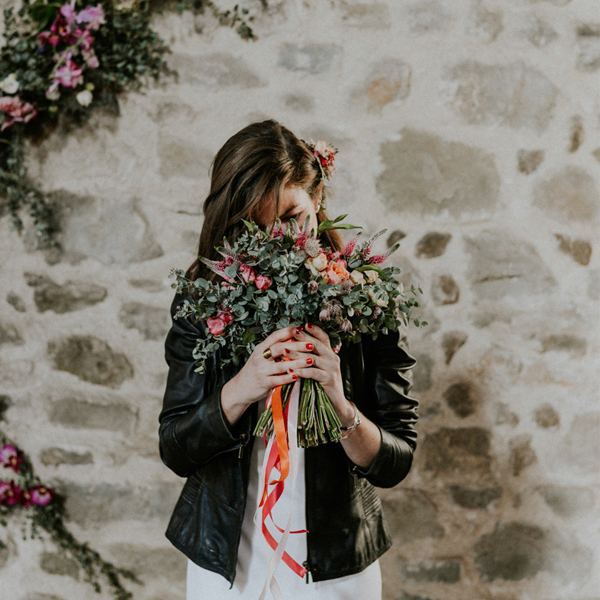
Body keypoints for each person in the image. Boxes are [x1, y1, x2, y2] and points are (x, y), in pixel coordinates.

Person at [158, 119, 419, 600]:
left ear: (317, 200)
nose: (279, 241)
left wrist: (340, 406)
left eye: (293, 216)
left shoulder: (367, 300)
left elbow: (394, 463)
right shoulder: (202, 301)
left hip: (335, 569)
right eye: (255, 227)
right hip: (226, 566)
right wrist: (243, 387)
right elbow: (176, 449)